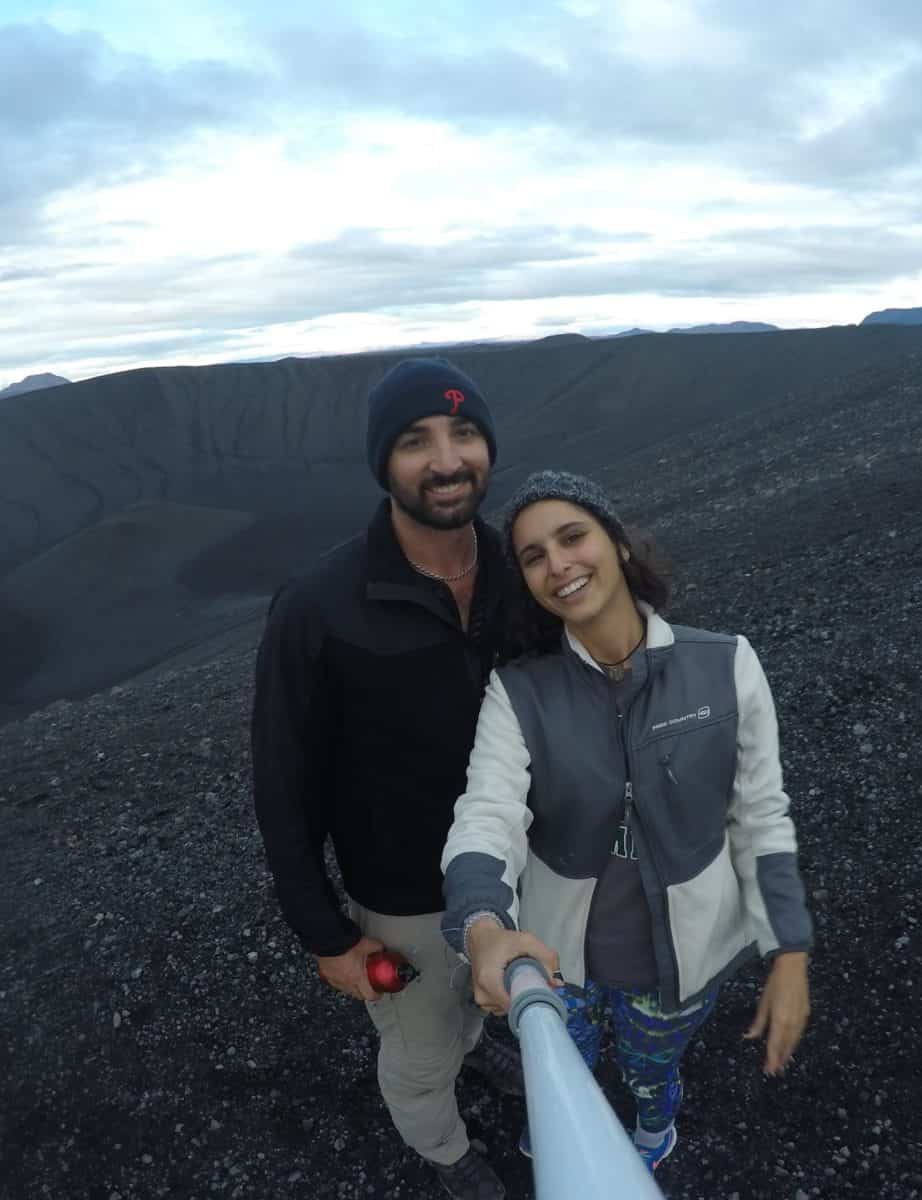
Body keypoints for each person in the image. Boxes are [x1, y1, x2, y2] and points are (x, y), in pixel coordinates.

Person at [440, 470, 813, 1173]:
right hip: (556, 955)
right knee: (560, 1061)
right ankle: (564, 1126)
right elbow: (486, 815)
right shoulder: (518, 694)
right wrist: (483, 925)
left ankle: (652, 1123)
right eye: (534, 556)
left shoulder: (727, 664)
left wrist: (787, 950)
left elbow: (761, 815)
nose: (559, 565)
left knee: (651, 1066)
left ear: (616, 541)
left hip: (684, 957)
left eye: (572, 537)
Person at [252, 358, 522, 1200]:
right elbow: (282, 782)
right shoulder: (319, 606)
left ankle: (476, 1047)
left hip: (515, 867)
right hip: (405, 900)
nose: (446, 460)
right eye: (415, 441)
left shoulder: (521, 572)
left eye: (464, 432)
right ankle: (444, 1150)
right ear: (383, 462)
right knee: (417, 1051)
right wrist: (327, 938)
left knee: (483, 999)